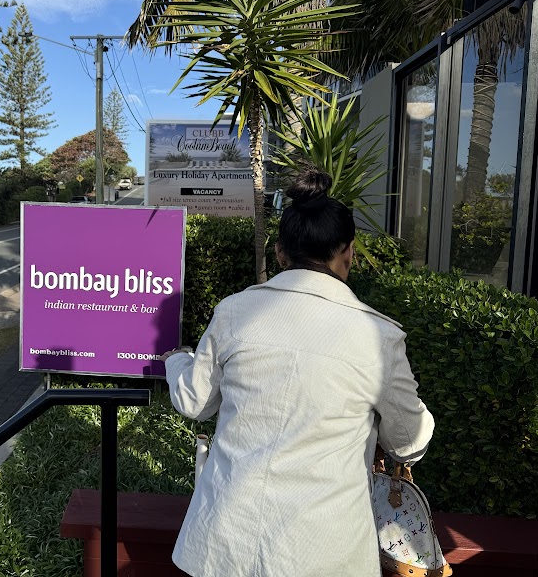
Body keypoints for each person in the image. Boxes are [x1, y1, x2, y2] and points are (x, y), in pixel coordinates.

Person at [162, 169, 435, 577]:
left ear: (279, 254)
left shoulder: (234, 311)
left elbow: (195, 401)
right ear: (348, 254)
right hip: (324, 552)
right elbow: (410, 442)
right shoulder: (378, 336)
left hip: (226, 541)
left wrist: (177, 359)